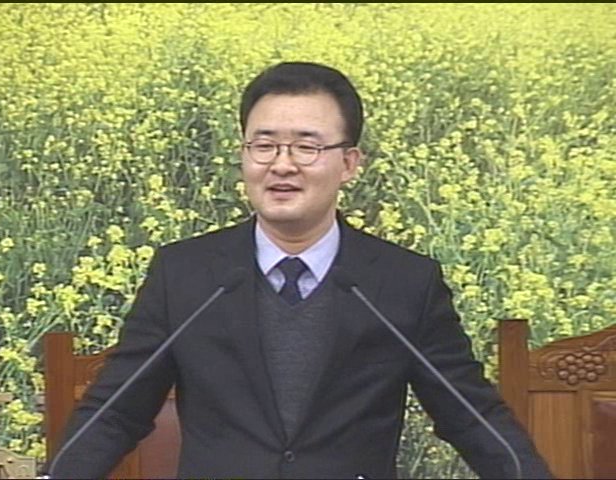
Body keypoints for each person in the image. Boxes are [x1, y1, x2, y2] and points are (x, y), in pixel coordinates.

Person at [46, 62, 552, 479]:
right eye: (264, 145)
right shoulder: (185, 275)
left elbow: (470, 416)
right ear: (244, 155)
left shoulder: (404, 283)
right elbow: (117, 411)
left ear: (349, 164)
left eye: (307, 147)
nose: (282, 165)